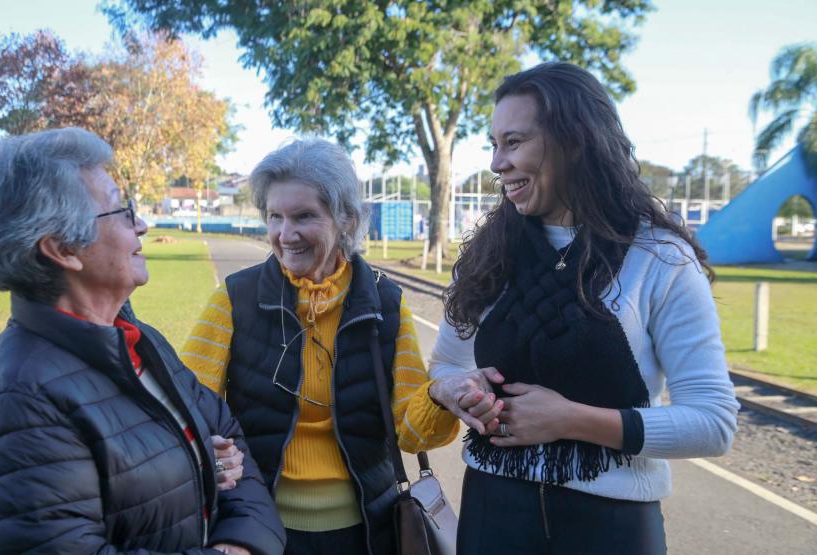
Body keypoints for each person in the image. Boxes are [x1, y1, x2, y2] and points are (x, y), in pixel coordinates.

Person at [427, 63, 740, 554]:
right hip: (491, 515)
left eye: (514, 142)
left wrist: (569, 419)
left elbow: (713, 422)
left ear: (574, 141)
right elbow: (446, 364)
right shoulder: (490, 253)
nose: (496, 163)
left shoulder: (659, 257)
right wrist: (456, 390)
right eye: (494, 144)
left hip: (612, 528)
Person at [0, 128, 285, 555]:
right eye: (123, 212)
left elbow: (227, 435)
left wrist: (207, 476)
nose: (142, 225)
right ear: (63, 249)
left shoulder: (137, 340)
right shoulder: (16, 404)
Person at [180, 139, 460, 555]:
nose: (284, 234)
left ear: (346, 219)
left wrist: (439, 396)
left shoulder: (385, 303)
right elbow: (186, 407)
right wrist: (208, 446)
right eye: (274, 216)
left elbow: (411, 434)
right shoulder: (234, 299)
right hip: (261, 530)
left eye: (304, 216)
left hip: (368, 534)